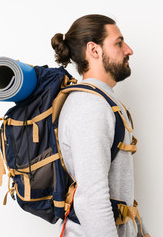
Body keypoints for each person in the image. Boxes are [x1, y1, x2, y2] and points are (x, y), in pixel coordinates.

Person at [51, 14, 150, 237]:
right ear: (94, 50)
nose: (129, 50)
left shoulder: (102, 100)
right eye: (119, 43)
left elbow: (120, 193)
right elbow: (91, 199)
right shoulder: (90, 107)